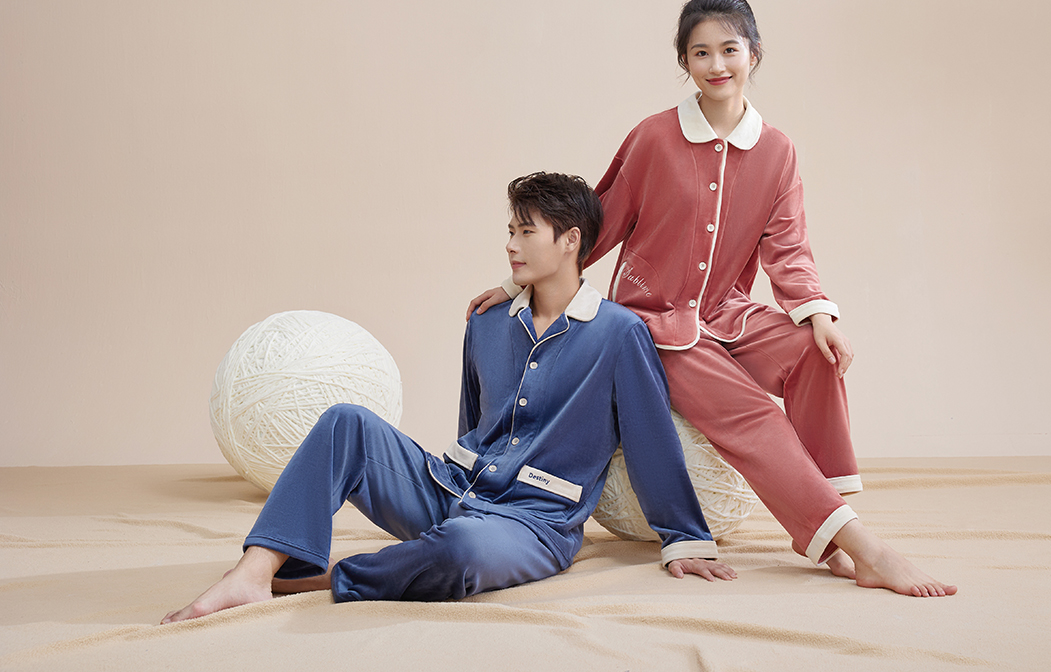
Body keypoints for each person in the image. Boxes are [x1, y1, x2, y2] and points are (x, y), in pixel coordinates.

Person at [469, 0, 956, 597]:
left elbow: (788, 245)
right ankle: (868, 550)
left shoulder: (777, 150)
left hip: (727, 314)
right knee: (755, 416)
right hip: (654, 323)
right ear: (684, 61)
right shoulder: (653, 138)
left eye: (729, 49)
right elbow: (593, 224)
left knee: (815, 355)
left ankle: (832, 536)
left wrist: (818, 314)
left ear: (754, 52)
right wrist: (518, 282)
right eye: (700, 53)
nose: (717, 65)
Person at [162, 172, 734, 624]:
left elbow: (650, 438)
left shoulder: (618, 334)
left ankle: (329, 577)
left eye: (525, 232)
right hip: (452, 489)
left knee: (461, 548)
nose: (510, 245)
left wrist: (684, 537)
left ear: (570, 241)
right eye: (509, 231)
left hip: (533, 525)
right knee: (345, 422)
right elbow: (474, 422)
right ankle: (253, 572)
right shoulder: (486, 322)